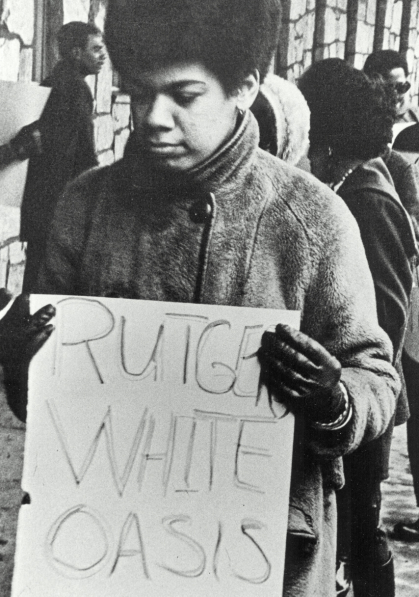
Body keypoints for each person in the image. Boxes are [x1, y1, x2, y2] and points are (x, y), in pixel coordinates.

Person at [1, 2, 401, 596]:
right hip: (106, 552)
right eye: (138, 94)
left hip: (265, 562)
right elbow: (47, 405)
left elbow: (378, 379)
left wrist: (333, 397)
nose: (152, 118)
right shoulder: (86, 207)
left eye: (182, 95)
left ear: (245, 85)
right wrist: (21, 363)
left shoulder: (312, 220)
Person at [299, 58, 416, 597]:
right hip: (334, 398)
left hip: (361, 408)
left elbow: (386, 320)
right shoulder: (347, 186)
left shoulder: (368, 199)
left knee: (359, 537)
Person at [8, 22, 106, 292]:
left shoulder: (51, 82)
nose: (103, 56)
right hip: (60, 200)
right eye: (96, 49)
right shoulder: (76, 90)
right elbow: (84, 153)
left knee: (37, 273)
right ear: (76, 53)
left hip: (40, 201)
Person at [364, 50, 418, 133]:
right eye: (388, 89)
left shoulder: (415, 117)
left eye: (401, 87)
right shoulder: (359, 121)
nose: (395, 95)